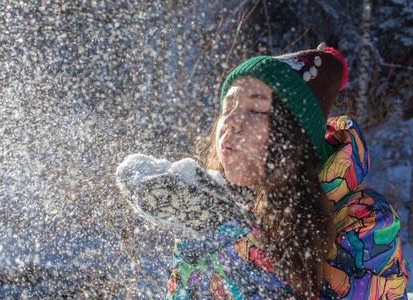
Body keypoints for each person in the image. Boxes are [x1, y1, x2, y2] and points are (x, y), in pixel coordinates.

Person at [117, 44, 410, 299]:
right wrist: (203, 237)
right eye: (227, 107)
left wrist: (229, 235)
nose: (230, 121)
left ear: (295, 137)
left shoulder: (366, 220)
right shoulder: (213, 207)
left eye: (256, 110)